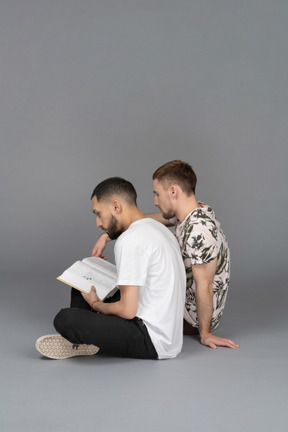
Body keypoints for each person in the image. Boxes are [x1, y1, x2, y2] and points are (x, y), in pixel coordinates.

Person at [36, 177, 186, 360]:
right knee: (82, 281)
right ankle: (85, 337)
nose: (98, 224)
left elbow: (128, 311)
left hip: (151, 339)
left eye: (98, 214)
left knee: (65, 319)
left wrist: (96, 304)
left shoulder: (130, 240)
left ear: (116, 206)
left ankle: (82, 339)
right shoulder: (158, 228)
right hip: (169, 334)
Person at [92, 162, 239, 350]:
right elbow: (142, 219)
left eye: (157, 194)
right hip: (177, 298)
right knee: (112, 290)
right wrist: (107, 235)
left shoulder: (199, 232)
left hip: (189, 319)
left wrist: (205, 333)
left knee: (114, 301)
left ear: (173, 191)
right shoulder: (192, 210)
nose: (155, 201)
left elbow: (205, 286)